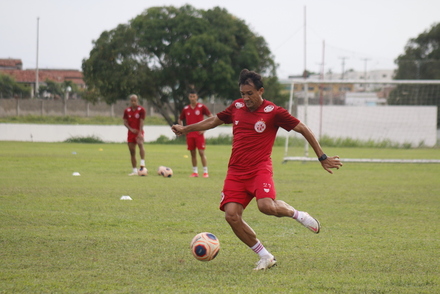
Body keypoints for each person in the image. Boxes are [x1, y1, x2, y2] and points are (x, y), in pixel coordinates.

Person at [172, 69, 342, 270]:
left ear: (261, 91)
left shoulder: (274, 112)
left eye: (250, 93)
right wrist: (185, 129)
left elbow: (302, 128)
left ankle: (298, 214)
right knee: (231, 216)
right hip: (235, 171)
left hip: (260, 168)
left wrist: (322, 157)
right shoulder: (236, 107)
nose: (246, 98)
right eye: (243, 94)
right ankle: (265, 256)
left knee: (266, 207)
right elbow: (213, 121)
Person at [178, 90, 214, 178]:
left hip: (199, 134)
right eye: (191, 96)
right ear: (189, 97)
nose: (192, 98)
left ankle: (205, 172)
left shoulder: (202, 107)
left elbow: (212, 117)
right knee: (192, 153)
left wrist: (205, 129)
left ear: (197, 97)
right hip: (190, 134)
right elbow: (180, 119)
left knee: (201, 152)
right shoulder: (186, 109)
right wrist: (182, 128)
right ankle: (195, 172)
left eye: (194, 96)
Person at [123, 94, 146, 176]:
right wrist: (130, 129)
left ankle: (142, 164)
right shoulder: (127, 110)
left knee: (140, 144)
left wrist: (140, 132)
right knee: (132, 152)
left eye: (135, 101)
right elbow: (125, 122)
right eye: (132, 101)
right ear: (130, 101)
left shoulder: (141, 110)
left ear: (137, 101)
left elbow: (141, 121)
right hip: (131, 133)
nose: (133, 102)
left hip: (139, 131)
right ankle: (134, 170)